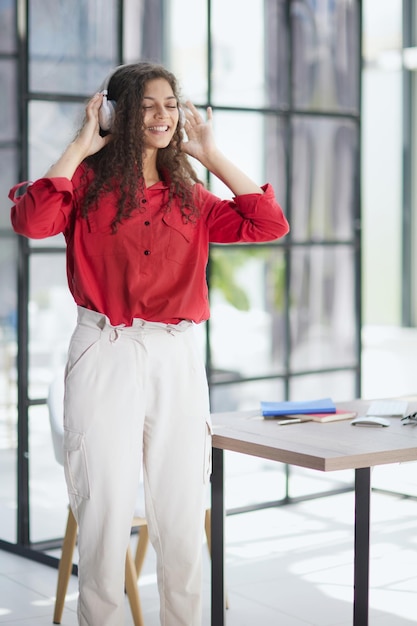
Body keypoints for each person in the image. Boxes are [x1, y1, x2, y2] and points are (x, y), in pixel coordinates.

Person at [9, 62, 289, 626]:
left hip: (177, 357)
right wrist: (80, 145)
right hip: (105, 348)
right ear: (118, 114)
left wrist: (209, 155)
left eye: (169, 104)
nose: (162, 116)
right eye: (147, 105)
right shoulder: (84, 185)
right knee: (105, 513)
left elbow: (268, 223)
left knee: (182, 515)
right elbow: (32, 220)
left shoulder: (192, 197)